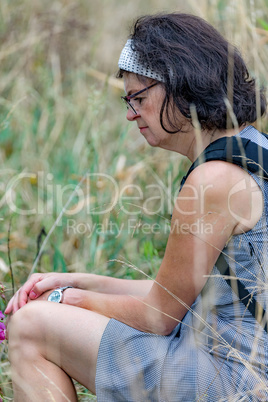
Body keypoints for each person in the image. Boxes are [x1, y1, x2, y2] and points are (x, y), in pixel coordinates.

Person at [5, 12, 268, 401]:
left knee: (30, 326)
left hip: (232, 381)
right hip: (244, 369)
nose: (130, 114)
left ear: (180, 85)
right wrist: (77, 281)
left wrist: (67, 302)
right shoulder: (254, 150)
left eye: (139, 98)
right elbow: (182, 297)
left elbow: (158, 317)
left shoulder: (213, 180)